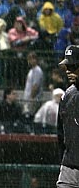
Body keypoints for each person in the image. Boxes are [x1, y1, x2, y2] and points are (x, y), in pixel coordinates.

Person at [57, 45, 79, 187]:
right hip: (70, 168)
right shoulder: (67, 95)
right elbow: (60, 134)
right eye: (67, 67)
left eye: (73, 66)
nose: (69, 71)